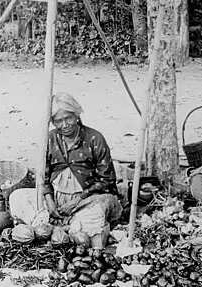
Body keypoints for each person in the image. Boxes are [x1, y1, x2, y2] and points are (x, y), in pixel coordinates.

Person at [9, 93, 122, 248]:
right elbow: (43, 176)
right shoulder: (50, 138)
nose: (64, 125)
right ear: (53, 122)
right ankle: (60, 229)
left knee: (96, 214)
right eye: (58, 121)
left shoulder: (95, 139)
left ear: (77, 115)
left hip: (88, 200)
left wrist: (78, 199)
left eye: (68, 118)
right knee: (17, 196)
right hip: (56, 199)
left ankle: (56, 229)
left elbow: (106, 179)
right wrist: (49, 201)